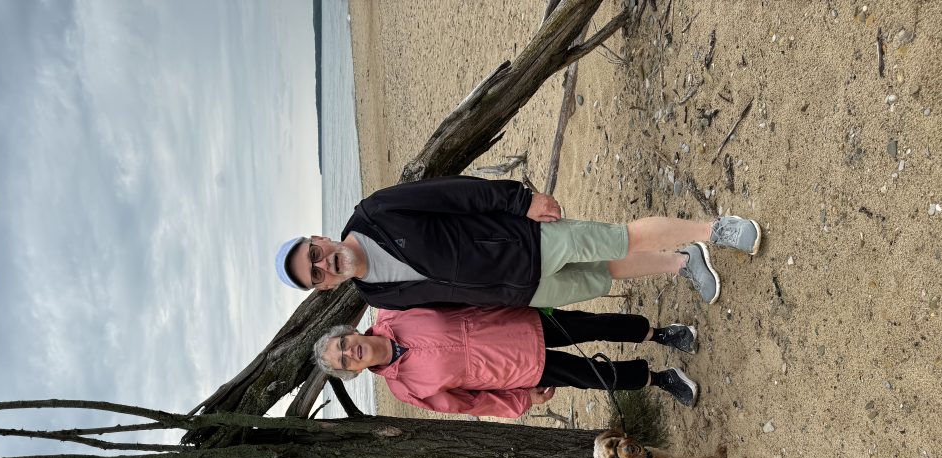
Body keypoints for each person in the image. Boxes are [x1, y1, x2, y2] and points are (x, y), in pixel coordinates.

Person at [274, 175, 761, 309]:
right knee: (607, 272)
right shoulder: (375, 296)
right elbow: (447, 307)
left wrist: (519, 199)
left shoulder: (376, 212)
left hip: (521, 239)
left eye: (315, 254)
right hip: (519, 291)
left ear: (319, 238)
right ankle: (683, 262)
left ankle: (715, 230)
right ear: (324, 287)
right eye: (316, 274)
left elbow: (453, 194)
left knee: (619, 239)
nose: (324, 264)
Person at [313, 306, 704, 418]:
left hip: (517, 320)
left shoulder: (395, 310)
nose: (350, 352)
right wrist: (521, 400)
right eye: (344, 360)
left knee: (593, 325)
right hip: (517, 370)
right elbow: (468, 404)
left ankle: (659, 334)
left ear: (351, 332)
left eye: (344, 343)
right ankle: (659, 378)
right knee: (592, 377)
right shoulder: (405, 389)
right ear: (353, 372)